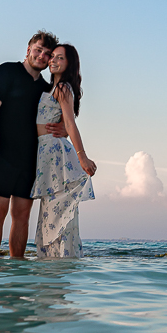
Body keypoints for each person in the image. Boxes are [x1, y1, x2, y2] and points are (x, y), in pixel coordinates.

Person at [0, 31, 66, 259]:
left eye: (47, 54)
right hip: (1, 153)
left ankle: (17, 270)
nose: (41, 56)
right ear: (28, 49)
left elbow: (63, 119)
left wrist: (64, 129)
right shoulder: (7, 71)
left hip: (31, 158)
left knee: (21, 215)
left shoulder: (47, 89)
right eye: (38, 50)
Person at [31, 43, 96, 258]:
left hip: (56, 154)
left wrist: (83, 157)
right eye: (53, 57)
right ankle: (51, 266)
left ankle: (60, 262)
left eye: (60, 58)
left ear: (69, 64)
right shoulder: (52, 87)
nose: (53, 61)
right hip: (47, 154)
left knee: (57, 210)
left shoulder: (63, 88)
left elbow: (70, 123)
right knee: (50, 210)